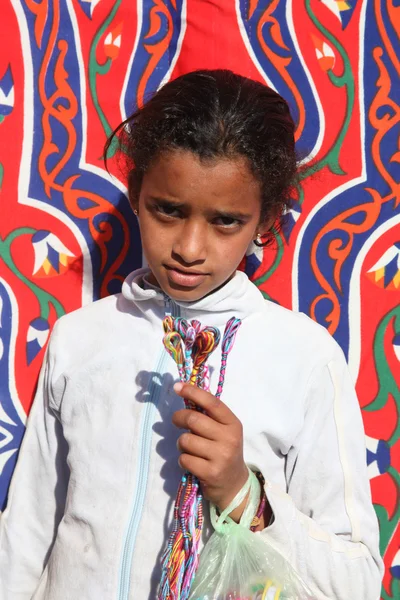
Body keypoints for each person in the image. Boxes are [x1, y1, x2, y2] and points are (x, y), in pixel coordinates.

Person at [0, 70, 383, 600]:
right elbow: (25, 536)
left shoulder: (305, 358)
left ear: (265, 221)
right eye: (168, 210)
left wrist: (245, 496)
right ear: (135, 193)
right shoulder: (78, 340)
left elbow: (358, 582)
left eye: (225, 221)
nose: (189, 246)